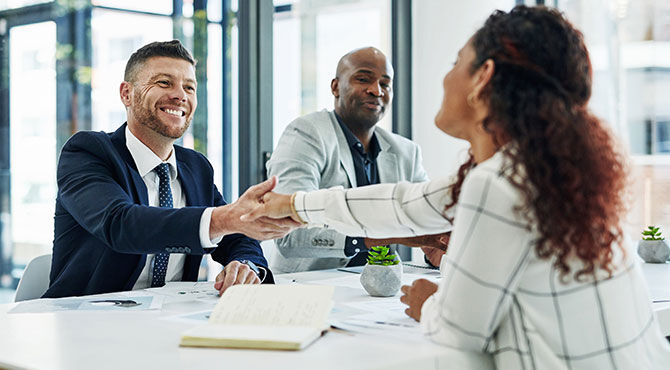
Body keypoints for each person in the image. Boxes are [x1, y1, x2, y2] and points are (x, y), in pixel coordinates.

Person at [244, 6, 670, 369]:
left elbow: (460, 331)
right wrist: (296, 204)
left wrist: (431, 301)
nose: (445, 77)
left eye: (454, 62)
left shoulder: (499, 180)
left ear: (483, 77)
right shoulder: (539, 167)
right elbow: (408, 203)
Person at [46, 40, 298, 298]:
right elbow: (120, 224)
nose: (181, 95)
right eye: (164, 83)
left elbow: (234, 237)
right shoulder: (88, 152)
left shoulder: (196, 166)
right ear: (127, 94)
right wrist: (224, 218)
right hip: (86, 320)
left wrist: (246, 265)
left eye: (189, 87)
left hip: (171, 318)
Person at [267, 46, 447, 273]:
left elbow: (428, 219)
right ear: (335, 87)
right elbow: (288, 233)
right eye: (363, 79)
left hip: (382, 289)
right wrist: (376, 236)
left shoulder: (406, 152)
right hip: (310, 286)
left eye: (385, 84)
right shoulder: (305, 134)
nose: (376, 91)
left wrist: (436, 251)